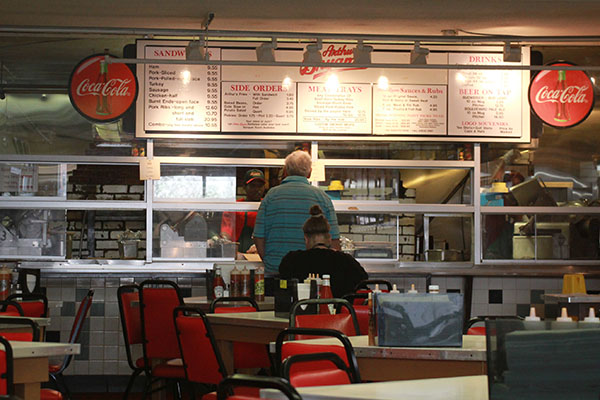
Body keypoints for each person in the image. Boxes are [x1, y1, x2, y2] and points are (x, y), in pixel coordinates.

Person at [253, 150, 340, 274]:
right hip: (313, 272)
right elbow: (334, 241)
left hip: (277, 270)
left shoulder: (271, 196)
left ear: (286, 171)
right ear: (309, 172)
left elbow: (258, 236)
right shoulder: (322, 197)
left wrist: (268, 261)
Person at [279, 205, 368, 298]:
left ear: (306, 239)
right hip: (340, 311)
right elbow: (362, 281)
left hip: (300, 311)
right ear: (329, 238)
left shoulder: (291, 260)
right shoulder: (346, 261)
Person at [220, 169, 266, 253]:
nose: (257, 189)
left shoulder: (268, 206)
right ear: (244, 187)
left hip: (262, 252)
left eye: (260, 186)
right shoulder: (235, 207)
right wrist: (227, 243)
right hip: (238, 253)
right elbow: (226, 233)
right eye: (253, 185)